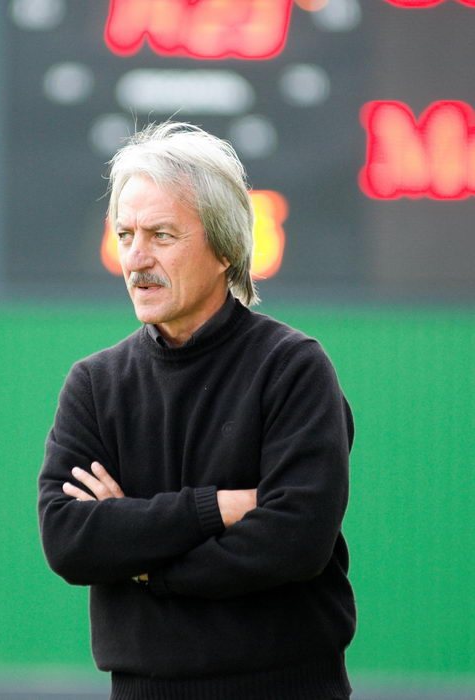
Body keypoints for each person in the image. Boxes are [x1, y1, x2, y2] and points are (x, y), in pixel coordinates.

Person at [38, 122, 356, 699]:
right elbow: (69, 539)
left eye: (161, 235)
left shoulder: (292, 368)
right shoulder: (95, 384)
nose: (136, 258)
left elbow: (295, 540)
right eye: (125, 234)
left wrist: (141, 559)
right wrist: (217, 508)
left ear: (226, 248)